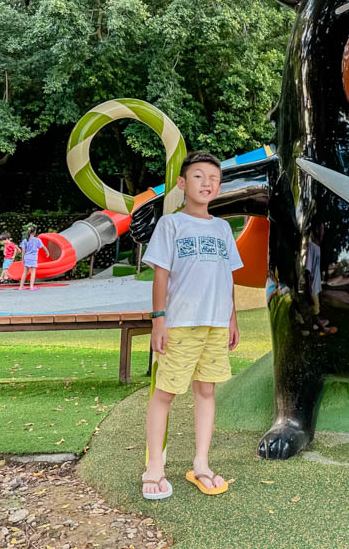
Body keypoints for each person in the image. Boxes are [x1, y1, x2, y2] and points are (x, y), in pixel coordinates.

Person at [141, 151, 244, 500]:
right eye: (198, 176)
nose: (207, 183)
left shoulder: (222, 228)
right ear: (183, 184)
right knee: (165, 393)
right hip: (180, 324)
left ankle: (201, 463)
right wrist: (158, 320)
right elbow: (161, 274)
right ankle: (154, 466)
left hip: (215, 325)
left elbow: (227, 278)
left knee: (207, 391)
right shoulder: (170, 224)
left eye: (213, 178)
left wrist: (231, 319)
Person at [18, 224, 50, 291]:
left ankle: (21, 287)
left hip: (26, 257)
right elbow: (43, 247)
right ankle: (31, 287)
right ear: (35, 232)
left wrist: (22, 259)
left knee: (25, 272)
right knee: (33, 272)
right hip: (33, 258)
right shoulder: (37, 240)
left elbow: (23, 251)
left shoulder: (25, 240)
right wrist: (47, 252)